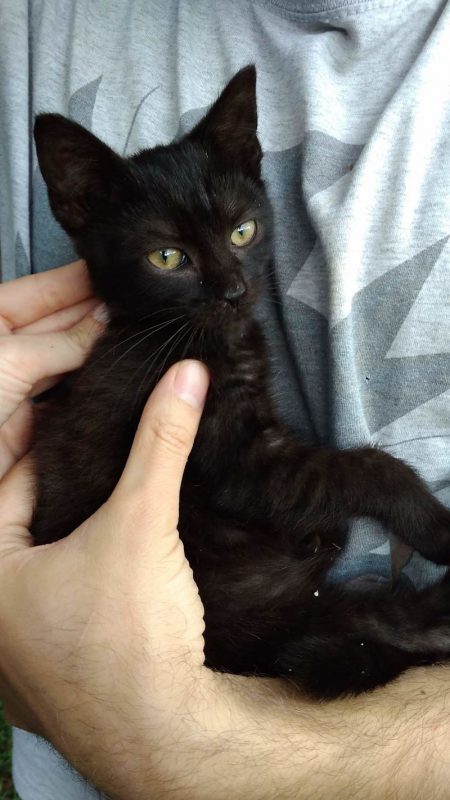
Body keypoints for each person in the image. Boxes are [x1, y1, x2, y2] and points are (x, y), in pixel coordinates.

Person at [0, 0, 449, 797]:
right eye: (171, 257)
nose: (232, 282)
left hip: (228, 619)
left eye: (242, 235)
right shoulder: (154, 363)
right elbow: (253, 476)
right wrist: (386, 486)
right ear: (82, 215)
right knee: (334, 616)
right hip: (214, 608)